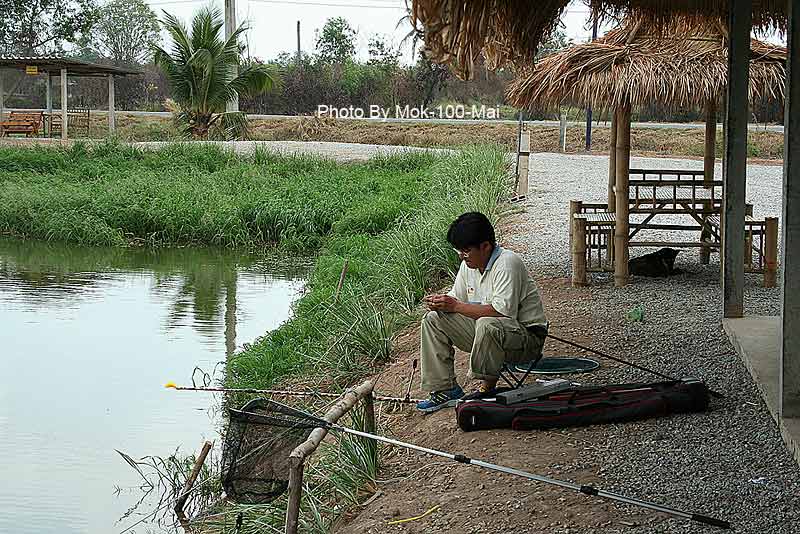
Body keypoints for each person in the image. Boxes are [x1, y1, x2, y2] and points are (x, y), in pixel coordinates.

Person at [416, 212, 548, 413]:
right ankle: (445, 389)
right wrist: (441, 304)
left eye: (466, 251)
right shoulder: (468, 265)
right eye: (459, 251)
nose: (461, 256)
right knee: (433, 319)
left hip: (526, 338)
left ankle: (486, 388)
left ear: (485, 246)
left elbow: (502, 313)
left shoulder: (507, 263)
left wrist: (455, 306)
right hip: (489, 335)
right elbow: (456, 300)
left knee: (488, 322)